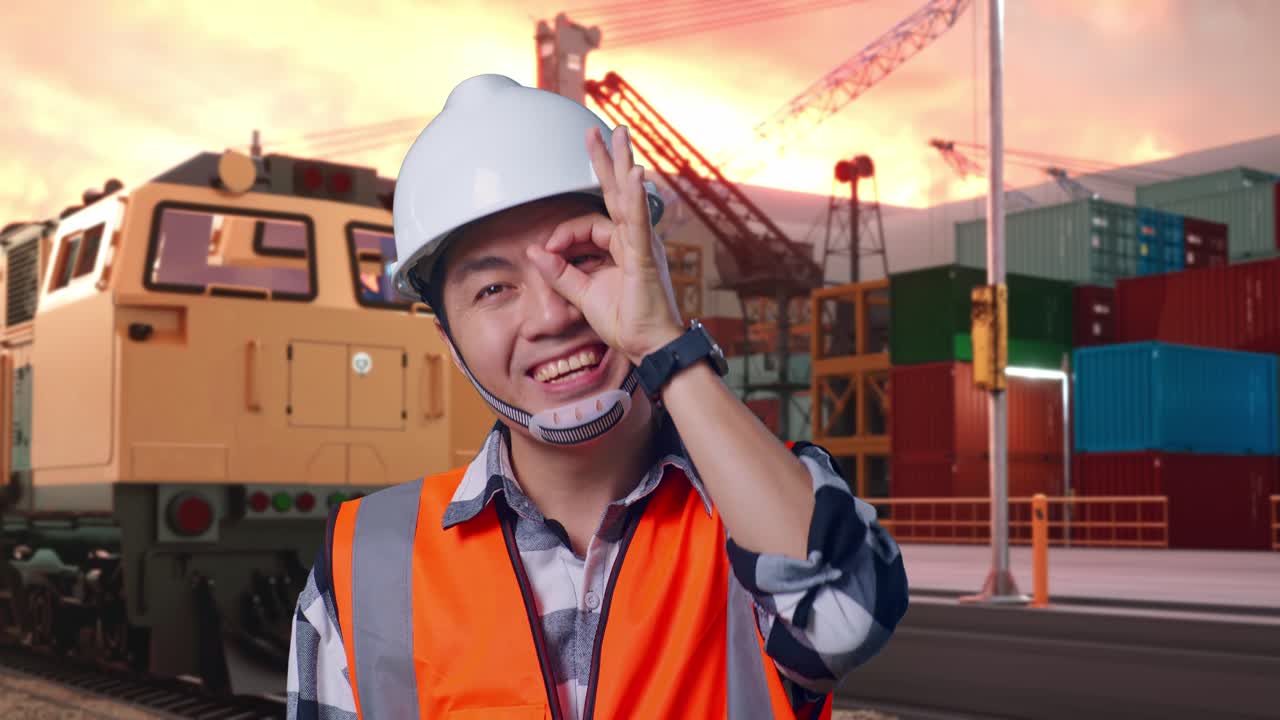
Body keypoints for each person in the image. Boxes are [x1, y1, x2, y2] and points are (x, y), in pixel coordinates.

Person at [285, 74, 908, 720]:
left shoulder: (758, 506)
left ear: (649, 263)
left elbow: (849, 617)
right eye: (494, 289)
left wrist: (665, 346)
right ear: (447, 336)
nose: (554, 314)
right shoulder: (368, 561)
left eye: (582, 258)